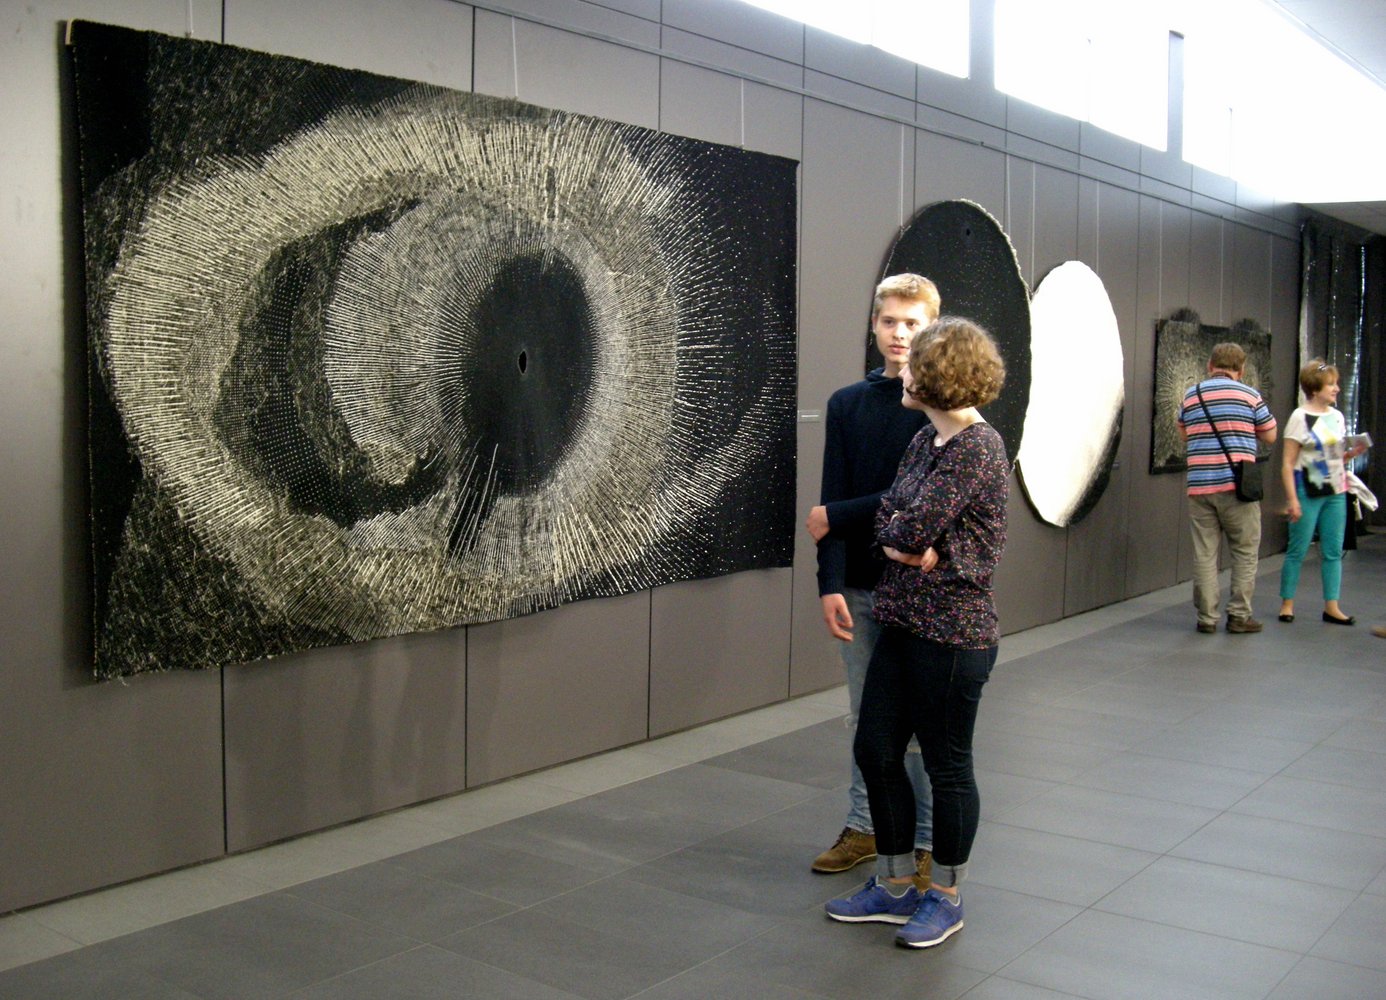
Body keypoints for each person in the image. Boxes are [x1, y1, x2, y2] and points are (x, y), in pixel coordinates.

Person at [825, 317, 1008, 949]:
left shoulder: (977, 447)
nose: (901, 369)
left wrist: (911, 538)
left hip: (953, 637)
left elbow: (907, 526)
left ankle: (945, 897)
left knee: (947, 766)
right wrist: (907, 541)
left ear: (937, 377)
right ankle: (895, 884)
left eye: (914, 364)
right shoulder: (927, 440)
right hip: (902, 623)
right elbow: (891, 520)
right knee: (876, 750)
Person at [806, 274, 938, 879]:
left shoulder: (944, 409)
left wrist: (838, 515)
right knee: (865, 717)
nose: (899, 334)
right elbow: (832, 497)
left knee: (921, 721)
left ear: (931, 327)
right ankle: (865, 826)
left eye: (912, 323)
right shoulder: (847, 404)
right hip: (860, 584)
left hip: (925, 590)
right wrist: (829, 583)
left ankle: (928, 842)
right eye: (890, 321)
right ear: (874, 325)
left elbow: (922, 499)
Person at [1177, 343, 1278, 634]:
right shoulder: (1250, 396)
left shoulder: (1192, 395)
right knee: (1244, 552)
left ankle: (1206, 618)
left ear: (1211, 365)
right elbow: (1270, 435)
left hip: (1200, 486)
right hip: (1238, 487)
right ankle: (1239, 616)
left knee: (1205, 554)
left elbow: (1183, 434)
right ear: (1241, 369)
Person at [1277, 360, 1370, 625]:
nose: (1337, 388)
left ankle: (1332, 606)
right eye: (1331, 384)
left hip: (1336, 490)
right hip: (1307, 489)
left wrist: (1352, 453)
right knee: (1298, 549)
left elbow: (1335, 456)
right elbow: (1287, 464)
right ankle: (1287, 603)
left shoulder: (1337, 417)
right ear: (1315, 389)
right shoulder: (1299, 418)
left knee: (1333, 550)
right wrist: (1292, 499)